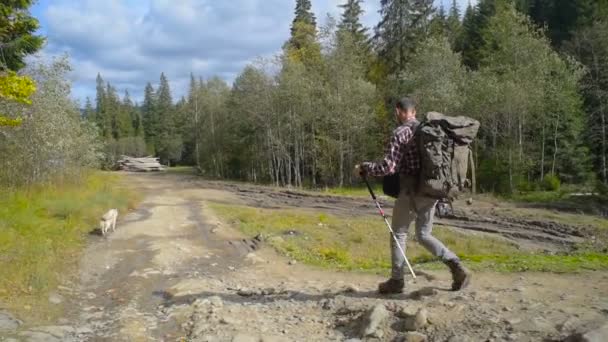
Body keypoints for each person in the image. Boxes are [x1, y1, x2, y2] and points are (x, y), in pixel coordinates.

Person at [357, 97, 471, 294]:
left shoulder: (400, 132)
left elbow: (388, 167)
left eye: (397, 111)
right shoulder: (430, 131)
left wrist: (365, 167)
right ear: (415, 112)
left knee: (398, 234)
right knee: (424, 234)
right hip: (433, 189)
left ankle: (396, 281)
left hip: (411, 192)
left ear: (398, 111)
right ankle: (456, 266)